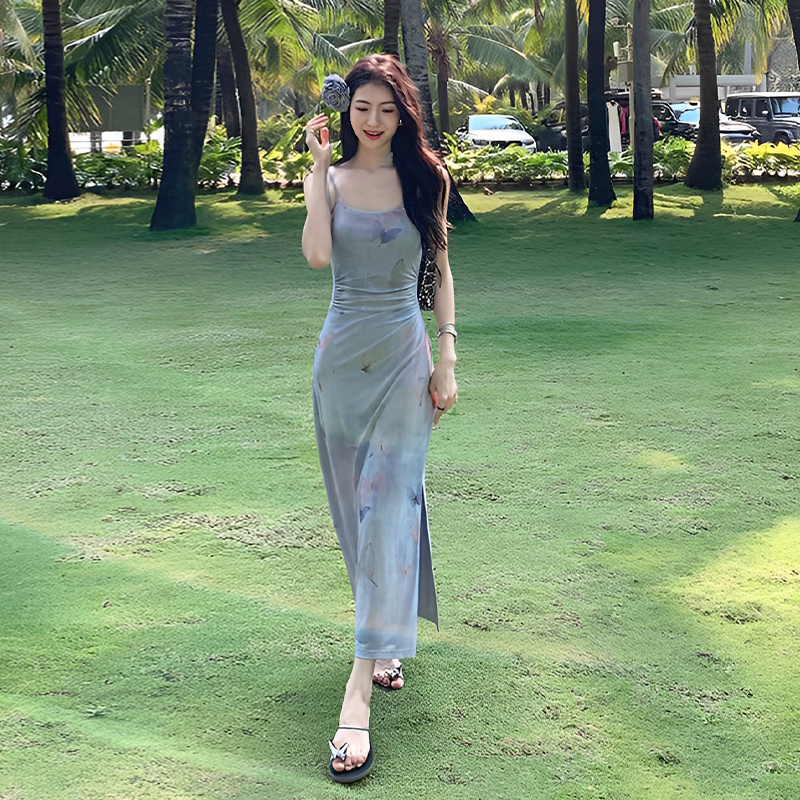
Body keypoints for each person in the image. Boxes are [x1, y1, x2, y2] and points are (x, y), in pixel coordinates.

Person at [301, 54, 457, 783]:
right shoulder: (329, 179)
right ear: (347, 111)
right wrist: (315, 174)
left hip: (403, 360)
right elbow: (316, 256)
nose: (373, 120)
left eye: (387, 110)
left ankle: (358, 690)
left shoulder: (428, 179)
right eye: (362, 107)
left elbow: (441, 270)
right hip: (340, 367)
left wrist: (446, 357)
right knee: (359, 517)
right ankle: (386, 640)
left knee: (390, 507)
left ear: (403, 114)